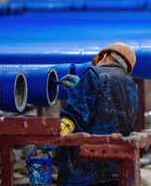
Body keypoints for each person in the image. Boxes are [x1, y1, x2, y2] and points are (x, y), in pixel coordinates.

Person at [58, 42, 139, 186]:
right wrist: (81, 87)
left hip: (86, 171)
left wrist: (54, 137)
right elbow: (112, 110)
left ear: (106, 56)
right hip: (116, 169)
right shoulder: (132, 86)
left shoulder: (94, 74)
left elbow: (74, 115)